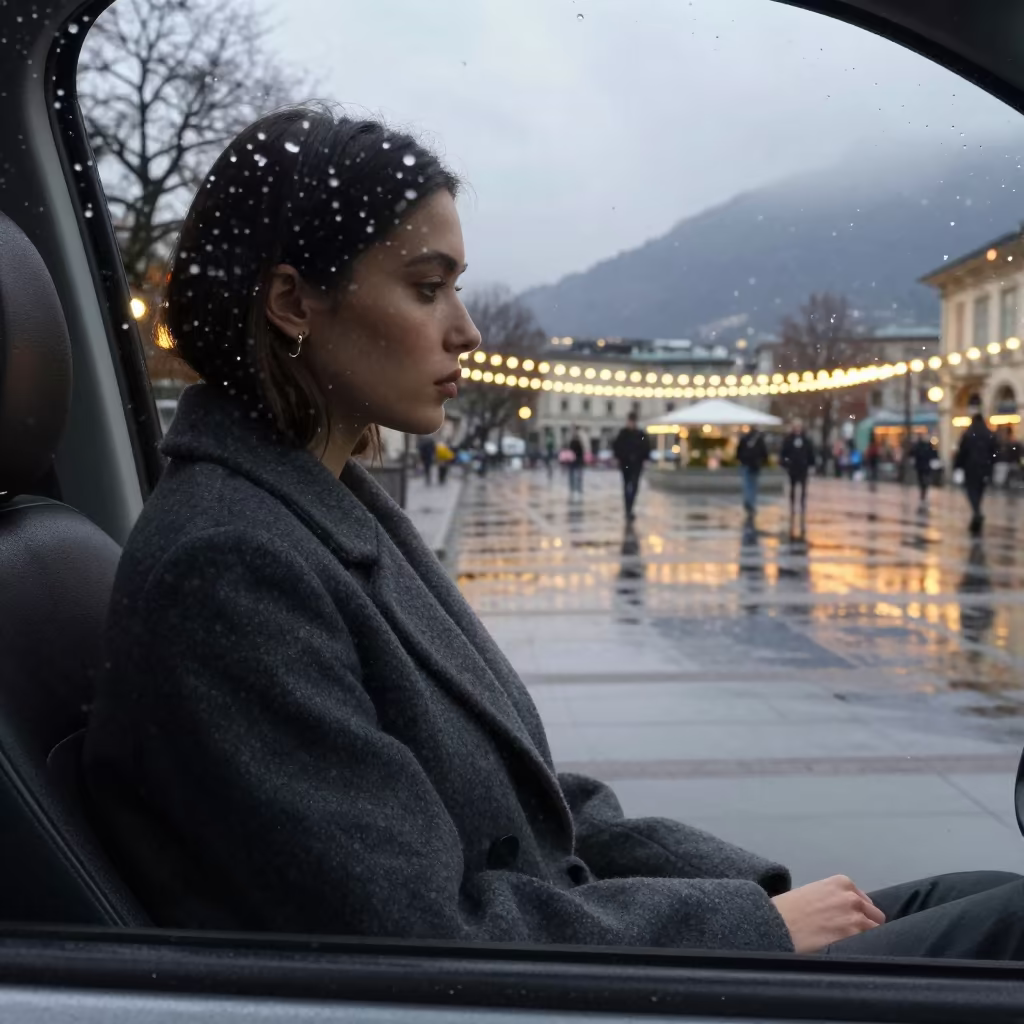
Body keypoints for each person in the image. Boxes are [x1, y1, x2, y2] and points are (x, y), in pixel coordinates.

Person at [84, 105, 1024, 962]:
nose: (466, 328)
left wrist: (753, 889)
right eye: (427, 287)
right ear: (294, 303)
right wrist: (753, 928)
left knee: (982, 897)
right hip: (546, 991)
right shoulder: (232, 564)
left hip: (567, 948)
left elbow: (527, 801)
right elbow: (416, 940)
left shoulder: (320, 510)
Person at [955, 412, 998, 534]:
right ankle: (977, 512)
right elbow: (995, 451)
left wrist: (958, 466)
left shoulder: (968, 434)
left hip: (970, 467)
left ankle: (976, 512)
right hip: (985, 467)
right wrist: (991, 464)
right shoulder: (989, 434)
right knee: (980, 490)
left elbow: (962, 451)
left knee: (971, 490)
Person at [612, 412, 651, 521]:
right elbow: (616, 446)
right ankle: (627, 509)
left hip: (637, 463)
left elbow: (646, 445)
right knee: (626, 485)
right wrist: (617, 457)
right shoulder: (623, 434)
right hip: (626, 463)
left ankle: (630, 508)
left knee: (634, 486)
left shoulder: (640, 434)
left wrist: (645, 458)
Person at [780, 419, 814, 534]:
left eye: (799, 426)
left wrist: (810, 464)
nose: (797, 428)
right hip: (793, 468)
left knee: (803, 489)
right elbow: (784, 452)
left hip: (803, 468)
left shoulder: (806, 440)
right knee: (793, 488)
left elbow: (810, 453)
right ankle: (793, 506)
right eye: (796, 426)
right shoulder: (789, 439)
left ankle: (802, 507)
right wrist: (786, 463)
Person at [736, 425, 769, 520]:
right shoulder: (759, 440)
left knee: (747, 484)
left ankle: (748, 501)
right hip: (755, 465)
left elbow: (738, 451)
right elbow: (764, 453)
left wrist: (741, 460)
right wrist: (764, 461)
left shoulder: (745, 438)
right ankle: (751, 503)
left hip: (746, 464)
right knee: (753, 485)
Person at [909, 430, 937, 507]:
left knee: (922, 479)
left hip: (922, 466)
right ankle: (923, 490)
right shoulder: (923, 446)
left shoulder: (920, 446)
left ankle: (923, 490)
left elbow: (912, 454)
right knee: (923, 479)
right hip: (924, 466)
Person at [568, 427, 585, 499]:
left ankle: (575, 488)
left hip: (575, 461)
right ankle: (576, 488)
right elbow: (581, 452)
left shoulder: (573, 442)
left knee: (575, 476)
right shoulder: (576, 443)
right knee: (576, 476)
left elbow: (580, 452)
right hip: (575, 461)